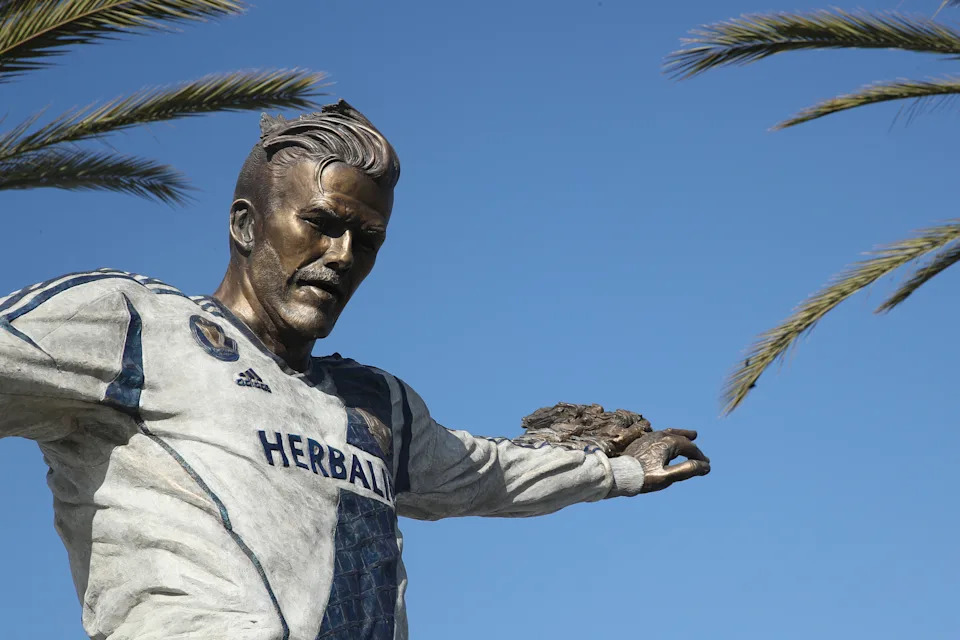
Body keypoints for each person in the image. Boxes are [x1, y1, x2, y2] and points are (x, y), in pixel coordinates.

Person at [0, 100, 710, 640]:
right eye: (321, 223)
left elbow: (486, 471)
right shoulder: (135, 325)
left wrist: (620, 470)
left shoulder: (376, 404)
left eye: (365, 239)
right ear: (247, 226)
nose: (342, 254)